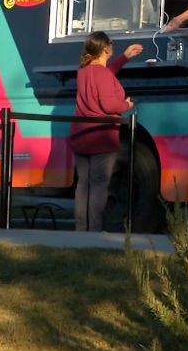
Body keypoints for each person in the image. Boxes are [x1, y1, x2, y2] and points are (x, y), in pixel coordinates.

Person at [69, 32, 144, 231]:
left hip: (81, 135)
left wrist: (125, 57)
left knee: (83, 184)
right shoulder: (101, 74)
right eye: (111, 44)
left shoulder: (83, 71)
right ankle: (94, 230)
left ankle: (81, 229)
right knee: (100, 184)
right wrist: (126, 105)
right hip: (101, 137)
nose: (113, 46)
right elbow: (110, 104)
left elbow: (104, 73)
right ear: (105, 49)